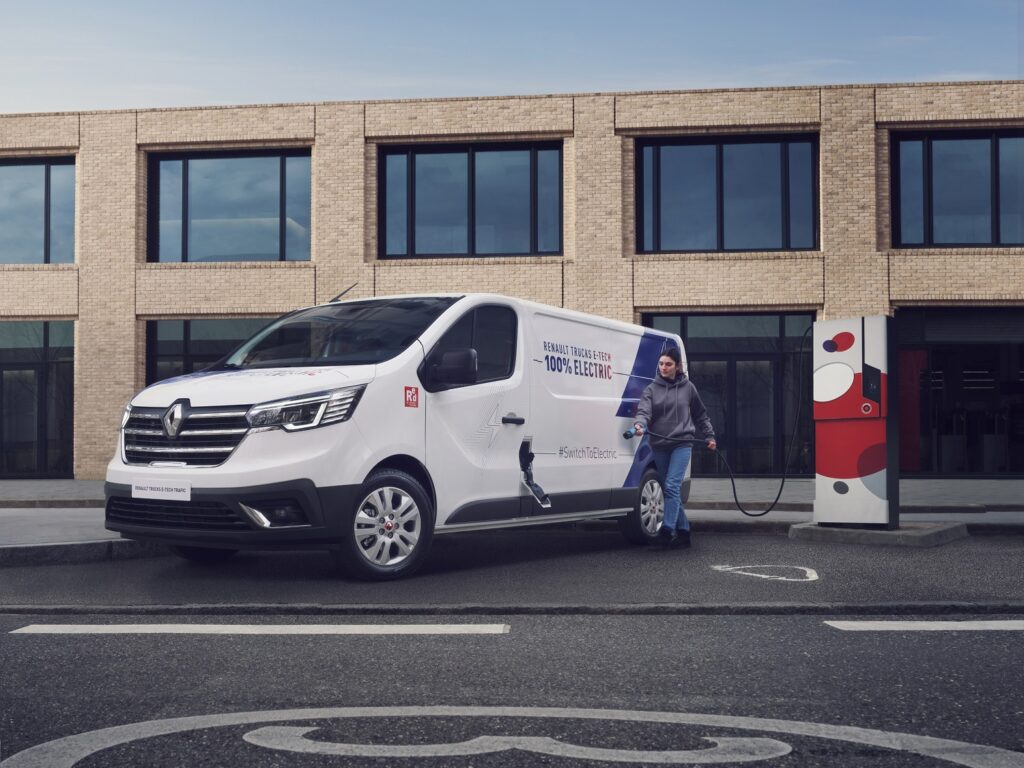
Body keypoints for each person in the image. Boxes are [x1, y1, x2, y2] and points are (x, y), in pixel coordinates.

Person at [633, 347, 716, 548]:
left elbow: (700, 414)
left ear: (677, 366)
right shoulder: (651, 390)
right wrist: (640, 425)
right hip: (660, 445)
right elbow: (644, 412)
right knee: (669, 490)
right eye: (661, 363)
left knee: (671, 486)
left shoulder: (688, 388)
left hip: (682, 443)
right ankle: (684, 532)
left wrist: (710, 435)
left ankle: (667, 530)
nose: (664, 367)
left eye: (668, 364)